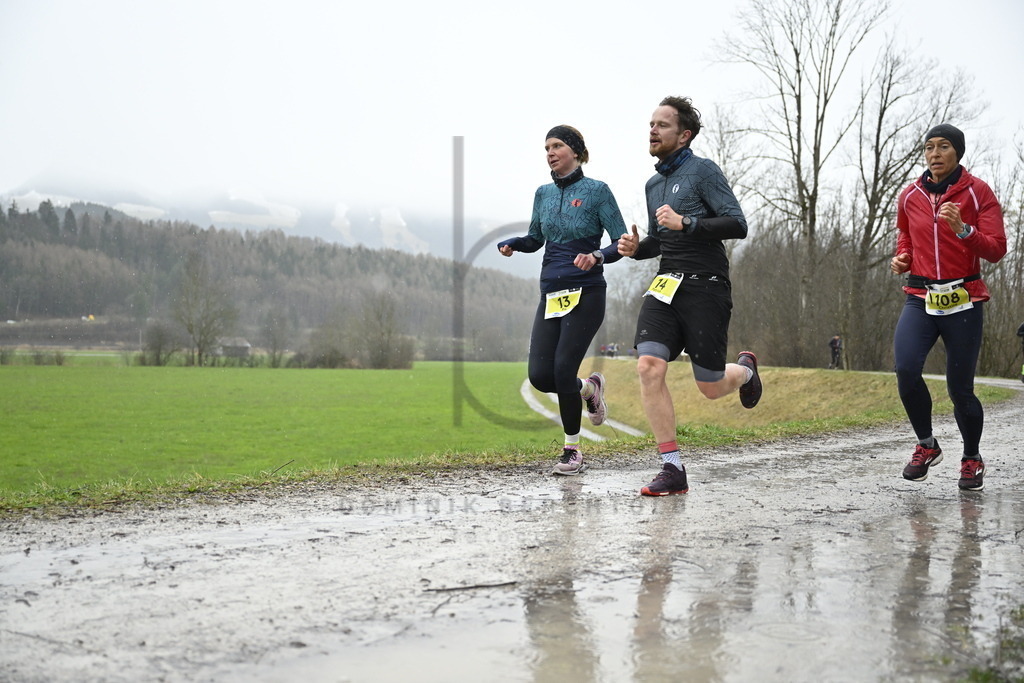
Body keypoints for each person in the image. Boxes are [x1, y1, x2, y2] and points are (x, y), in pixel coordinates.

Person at [617, 96, 762, 496]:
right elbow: (660, 240)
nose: (652, 130)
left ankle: (746, 371)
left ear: (684, 135)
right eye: (650, 123)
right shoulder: (653, 184)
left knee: (711, 386)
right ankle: (672, 466)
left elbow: (738, 224)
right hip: (666, 284)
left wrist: (688, 222)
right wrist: (636, 248)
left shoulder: (703, 172)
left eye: (662, 125)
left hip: (706, 285)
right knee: (648, 366)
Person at [498, 125, 626, 476]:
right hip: (551, 294)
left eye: (557, 146)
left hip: (586, 293)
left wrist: (597, 256)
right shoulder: (542, 194)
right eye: (546, 148)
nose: (550, 153)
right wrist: (513, 242)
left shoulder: (597, 192)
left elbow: (620, 243)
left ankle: (572, 449)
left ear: (576, 151)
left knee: (562, 369)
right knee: (541, 375)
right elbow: (536, 238)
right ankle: (590, 389)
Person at [890, 123, 1007, 492]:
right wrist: (903, 256)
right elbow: (905, 233)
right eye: (929, 147)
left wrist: (963, 230)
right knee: (906, 369)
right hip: (920, 297)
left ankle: (971, 457)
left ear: (957, 152)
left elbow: (997, 249)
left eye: (943, 147)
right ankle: (927, 445)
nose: (935, 153)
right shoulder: (910, 195)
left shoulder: (978, 193)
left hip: (964, 299)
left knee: (960, 389)